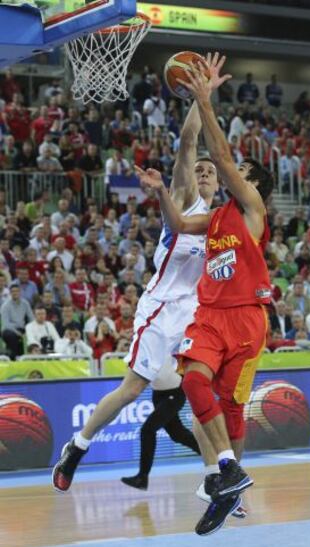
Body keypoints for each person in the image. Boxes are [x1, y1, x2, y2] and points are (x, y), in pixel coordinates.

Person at [52, 53, 226, 501]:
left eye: (211, 172)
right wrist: (203, 92)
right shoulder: (185, 200)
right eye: (200, 170)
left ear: (219, 183)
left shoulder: (223, 223)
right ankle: (77, 446)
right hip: (161, 307)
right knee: (132, 389)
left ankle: (214, 476)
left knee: (201, 389)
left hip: (194, 313)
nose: (204, 174)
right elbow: (189, 140)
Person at [136, 61, 273, 536]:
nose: (236, 177)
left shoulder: (251, 210)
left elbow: (220, 152)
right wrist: (158, 194)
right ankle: (226, 471)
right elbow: (176, 224)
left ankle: (228, 487)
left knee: (231, 409)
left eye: (243, 175)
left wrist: (206, 103)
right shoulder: (215, 219)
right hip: (211, 316)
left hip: (249, 319)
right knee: (194, 382)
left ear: (253, 187)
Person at [121, 363, 200, 490]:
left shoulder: (173, 343)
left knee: (147, 430)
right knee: (177, 434)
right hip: (157, 394)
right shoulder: (146, 345)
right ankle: (215, 457)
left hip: (175, 392)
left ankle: (142, 477)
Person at [1, 282, 34, 359]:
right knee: (12, 337)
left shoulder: (25, 303)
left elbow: (31, 318)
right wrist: (17, 333)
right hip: (9, 330)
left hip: (22, 328)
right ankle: (13, 359)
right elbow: (6, 324)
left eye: (17, 291)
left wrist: (30, 329)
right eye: (13, 291)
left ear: (20, 292)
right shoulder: (5, 306)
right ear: (10, 293)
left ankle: (23, 358)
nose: (15, 293)